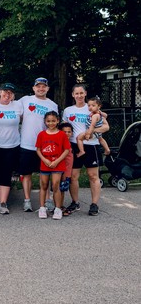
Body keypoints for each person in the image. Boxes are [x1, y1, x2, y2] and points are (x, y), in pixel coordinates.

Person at [62, 84, 109, 216]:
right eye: (76, 93)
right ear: (73, 95)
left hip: (91, 145)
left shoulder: (93, 108)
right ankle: (75, 202)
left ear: (85, 93)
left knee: (93, 176)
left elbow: (106, 127)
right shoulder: (68, 110)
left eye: (81, 93)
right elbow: (64, 128)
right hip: (74, 145)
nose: (79, 96)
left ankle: (94, 204)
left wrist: (90, 132)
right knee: (73, 176)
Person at [17, 77, 58, 212]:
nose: (41, 89)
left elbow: (54, 125)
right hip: (26, 144)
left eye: (43, 86)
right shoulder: (25, 100)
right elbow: (9, 106)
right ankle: (27, 200)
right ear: (33, 88)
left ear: (47, 88)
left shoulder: (52, 105)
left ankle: (47, 200)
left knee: (44, 174)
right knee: (26, 174)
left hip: (45, 145)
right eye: (38, 86)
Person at [0, 83, 23, 214]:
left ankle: (3, 202)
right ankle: (0, 200)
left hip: (12, 145)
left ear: (13, 95)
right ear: (0, 92)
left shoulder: (18, 105)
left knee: (6, 173)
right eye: (5, 91)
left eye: (10, 92)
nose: (7, 95)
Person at [35, 111, 71, 220]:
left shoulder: (62, 134)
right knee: (44, 185)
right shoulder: (41, 134)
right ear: (45, 122)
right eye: (48, 121)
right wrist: (44, 159)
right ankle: (42, 208)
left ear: (58, 121)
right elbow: (38, 149)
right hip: (45, 163)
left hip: (57, 164)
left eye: (53, 121)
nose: (51, 123)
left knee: (56, 185)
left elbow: (66, 150)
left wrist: (57, 161)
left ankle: (58, 208)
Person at [58, 122, 74, 216]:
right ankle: (58, 207)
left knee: (62, 190)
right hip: (62, 172)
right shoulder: (61, 143)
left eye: (69, 132)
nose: (67, 134)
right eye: (64, 132)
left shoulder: (69, 143)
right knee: (59, 190)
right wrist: (63, 173)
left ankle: (60, 205)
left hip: (67, 172)